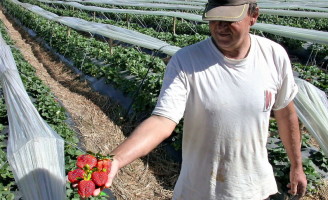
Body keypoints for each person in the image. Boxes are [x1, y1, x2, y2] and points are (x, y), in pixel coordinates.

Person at [98, 0, 308, 199]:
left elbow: (285, 112)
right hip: (199, 191)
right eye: (215, 19)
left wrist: (297, 165)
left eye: (229, 20)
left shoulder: (274, 56)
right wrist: (116, 159)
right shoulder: (187, 60)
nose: (220, 27)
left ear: (253, 16)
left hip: (254, 189)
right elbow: (162, 120)